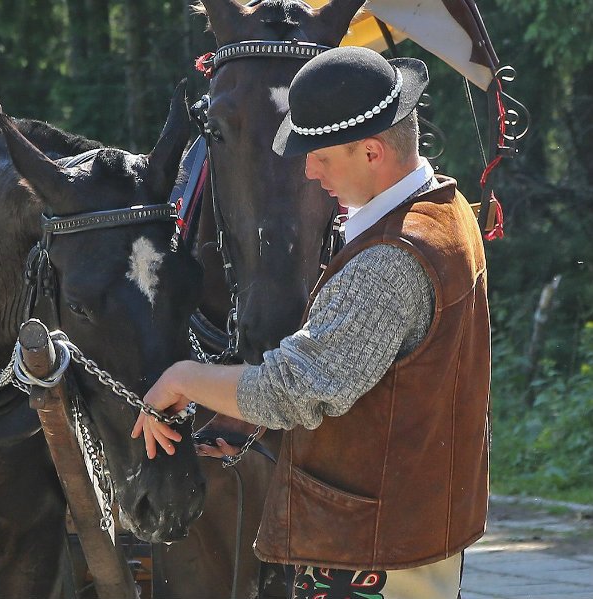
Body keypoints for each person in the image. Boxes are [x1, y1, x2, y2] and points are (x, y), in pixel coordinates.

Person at [132, 46, 490, 599]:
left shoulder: (390, 260)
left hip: (373, 549)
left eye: (319, 155)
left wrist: (182, 378)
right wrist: (242, 414)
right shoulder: (445, 208)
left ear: (371, 151)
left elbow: (296, 390)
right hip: (412, 529)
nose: (308, 170)